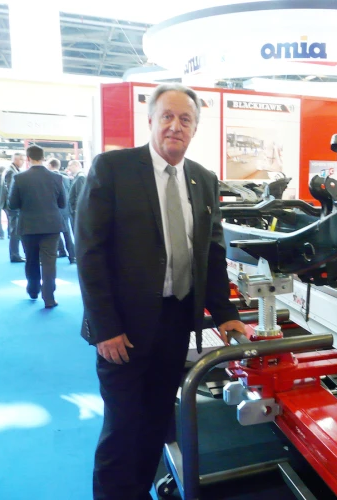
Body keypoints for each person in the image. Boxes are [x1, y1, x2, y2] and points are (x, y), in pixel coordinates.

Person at [75, 83, 246, 499]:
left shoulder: (203, 180)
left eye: (185, 119)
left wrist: (224, 312)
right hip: (123, 328)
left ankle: (140, 491)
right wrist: (105, 327)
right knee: (122, 425)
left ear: (194, 128)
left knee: (156, 420)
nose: (175, 126)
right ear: (150, 120)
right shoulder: (113, 169)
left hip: (175, 322)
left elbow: (212, 253)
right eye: (167, 116)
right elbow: (90, 252)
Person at [8, 145, 67, 308]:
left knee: (31, 260)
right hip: (51, 226)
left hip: (28, 226)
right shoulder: (56, 177)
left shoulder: (20, 178)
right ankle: (49, 298)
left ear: (28, 159)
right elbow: (63, 204)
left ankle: (33, 290)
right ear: (43, 158)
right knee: (49, 262)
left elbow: (12, 204)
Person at [47, 158, 76, 263]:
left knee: (58, 233)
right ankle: (71, 255)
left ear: (50, 165)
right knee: (66, 232)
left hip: (54, 209)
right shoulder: (66, 178)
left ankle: (64, 252)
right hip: (65, 210)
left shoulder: (49, 178)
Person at [3, 153, 26, 262]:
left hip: (12, 206)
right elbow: (11, 190)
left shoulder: (12, 170)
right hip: (13, 207)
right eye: (21, 159)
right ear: (15, 159)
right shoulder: (11, 171)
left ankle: (15, 254)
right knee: (15, 231)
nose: (23, 161)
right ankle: (14, 255)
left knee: (15, 230)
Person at [67, 160, 87, 228]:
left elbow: (80, 195)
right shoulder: (78, 177)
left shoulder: (80, 177)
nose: (68, 168)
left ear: (76, 165)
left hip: (76, 211)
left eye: (70, 166)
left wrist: (76, 210)